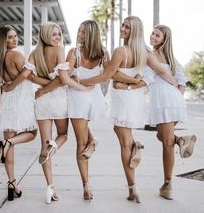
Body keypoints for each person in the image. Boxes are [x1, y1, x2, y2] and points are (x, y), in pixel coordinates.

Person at [80, 16, 178, 203]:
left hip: (121, 97)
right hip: (135, 99)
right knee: (123, 133)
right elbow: (162, 71)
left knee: (124, 143)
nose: (123, 28)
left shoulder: (121, 51)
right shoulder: (145, 53)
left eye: (127, 27)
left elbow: (106, 76)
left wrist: (82, 82)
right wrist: (176, 86)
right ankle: (136, 146)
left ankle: (133, 189)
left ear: (134, 31)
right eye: (123, 25)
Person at [115, 24, 196, 200]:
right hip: (174, 100)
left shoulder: (150, 56)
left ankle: (168, 185)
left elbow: (147, 78)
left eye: (157, 35)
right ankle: (181, 140)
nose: (152, 37)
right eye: (152, 33)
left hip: (163, 100)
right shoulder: (173, 59)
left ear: (164, 39)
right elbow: (181, 81)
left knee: (166, 142)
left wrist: (127, 85)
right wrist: (176, 99)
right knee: (162, 137)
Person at [29, 22, 92, 204]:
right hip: (57, 99)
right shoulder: (58, 50)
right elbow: (61, 81)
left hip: (41, 101)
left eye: (58, 34)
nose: (57, 38)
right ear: (45, 35)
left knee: (44, 145)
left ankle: (50, 188)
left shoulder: (35, 53)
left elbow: (30, 76)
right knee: (63, 134)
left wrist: (41, 90)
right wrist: (48, 87)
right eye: (53, 34)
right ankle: (53, 147)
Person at [0, 25, 38, 201]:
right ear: (4, 40)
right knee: (32, 133)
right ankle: (8, 142)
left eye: (15, 36)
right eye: (10, 37)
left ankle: (12, 184)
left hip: (6, 103)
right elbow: (27, 75)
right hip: (21, 101)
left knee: (8, 152)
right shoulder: (16, 55)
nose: (14, 39)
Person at [65, 20, 109, 201]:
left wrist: (80, 81)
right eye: (79, 30)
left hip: (80, 97)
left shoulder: (75, 53)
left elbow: (65, 77)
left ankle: (86, 184)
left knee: (80, 142)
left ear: (90, 35)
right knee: (83, 141)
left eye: (83, 32)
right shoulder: (102, 54)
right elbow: (106, 76)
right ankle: (93, 141)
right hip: (93, 97)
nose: (78, 34)